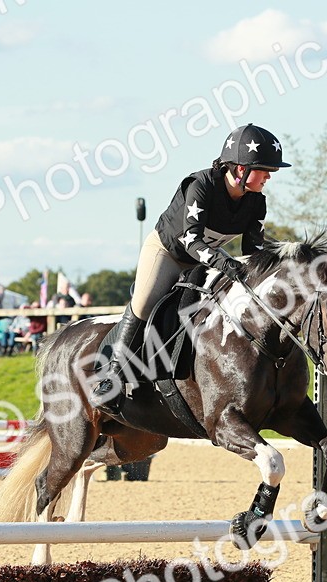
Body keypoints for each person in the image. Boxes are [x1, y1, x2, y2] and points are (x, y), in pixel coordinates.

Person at [91, 122, 290, 411]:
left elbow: (253, 252)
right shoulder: (201, 185)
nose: (269, 176)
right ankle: (111, 378)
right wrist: (225, 263)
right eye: (264, 170)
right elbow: (190, 239)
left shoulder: (256, 202)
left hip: (205, 257)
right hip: (168, 252)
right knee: (144, 303)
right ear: (240, 169)